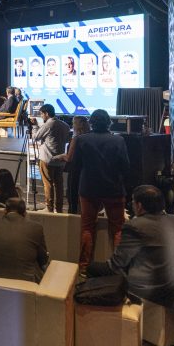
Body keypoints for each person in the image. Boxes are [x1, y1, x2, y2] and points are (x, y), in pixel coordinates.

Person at [86, 185, 174, 308]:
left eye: (133, 201)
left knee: (92, 269)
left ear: (139, 206)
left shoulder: (135, 226)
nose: (131, 204)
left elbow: (116, 265)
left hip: (155, 294)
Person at [72, 109, 129, 271]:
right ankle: (120, 268)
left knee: (87, 227)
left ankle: (84, 268)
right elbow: (125, 167)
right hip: (114, 189)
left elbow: (75, 166)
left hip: (88, 189)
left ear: (91, 123)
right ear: (109, 123)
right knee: (117, 228)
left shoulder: (81, 140)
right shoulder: (118, 140)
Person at [0, 198, 49, 283]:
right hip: (26, 282)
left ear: (5, 211)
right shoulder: (36, 227)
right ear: (25, 213)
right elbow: (43, 259)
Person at [31, 104, 70, 213]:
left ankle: (49, 208)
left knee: (48, 184)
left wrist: (34, 126)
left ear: (46, 113)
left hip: (47, 159)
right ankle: (59, 209)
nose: (41, 116)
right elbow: (67, 139)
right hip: (60, 160)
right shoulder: (65, 125)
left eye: (41, 114)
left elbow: (36, 137)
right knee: (59, 185)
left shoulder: (48, 124)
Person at [52, 115, 90, 214]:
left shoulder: (76, 139)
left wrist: (59, 157)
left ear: (77, 125)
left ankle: (73, 217)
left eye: (73, 123)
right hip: (86, 171)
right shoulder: (89, 137)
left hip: (75, 171)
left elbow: (69, 158)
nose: (72, 125)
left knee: (73, 196)